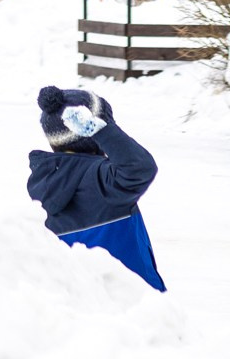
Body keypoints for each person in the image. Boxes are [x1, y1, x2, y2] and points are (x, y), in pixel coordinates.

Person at [26, 85, 166, 291]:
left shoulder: (46, 181)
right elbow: (140, 168)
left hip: (88, 304)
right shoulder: (102, 179)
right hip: (133, 300)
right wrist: (103, 132)